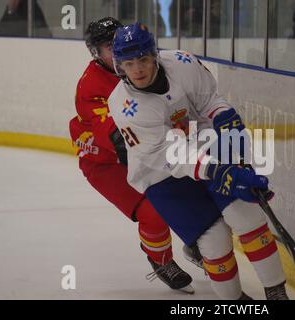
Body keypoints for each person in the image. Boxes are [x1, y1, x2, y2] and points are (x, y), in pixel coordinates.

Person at [108, 22, 290, 300]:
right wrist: (219, 170)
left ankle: (276, 292)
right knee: (215, 240)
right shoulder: (125, 106)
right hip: (160, 173)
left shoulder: (182, 63)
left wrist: (223, 117)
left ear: (154, 55)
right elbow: (169, 156)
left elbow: (209, 103)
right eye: (129, 63)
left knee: (246, 215)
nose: (138, 70)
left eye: (143, 59)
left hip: (203, 147)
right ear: (120, 66)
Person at [68, 17, 200, 294]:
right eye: (108, 46)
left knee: (194, 187)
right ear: (96, 53)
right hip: (106, 163)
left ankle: (196, 238)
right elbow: (117, 137)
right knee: (154, 211)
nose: (116, 49)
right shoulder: (91, 85)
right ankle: (161, 260)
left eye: (117, 40)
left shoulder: (144, 63)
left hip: (144, 149)